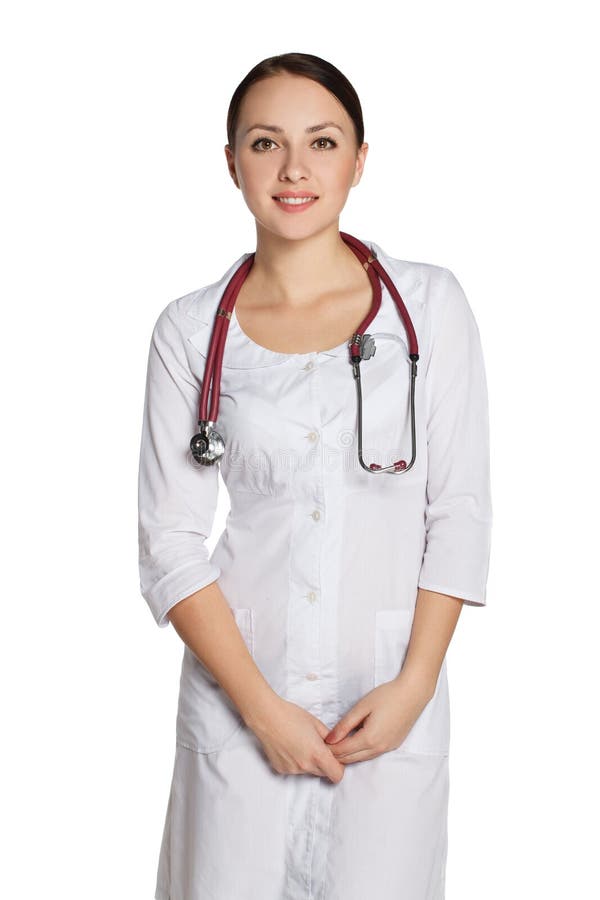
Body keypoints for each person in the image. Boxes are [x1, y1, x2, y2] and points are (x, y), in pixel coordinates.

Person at [137, 51, 492, 900]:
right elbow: (170, 542)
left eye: (322, 142)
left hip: (384, 704)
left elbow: (461, 511)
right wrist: (260, 708)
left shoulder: (431, 307)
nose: (295, 169)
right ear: (232, 163)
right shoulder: (189, 333)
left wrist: (413, 686)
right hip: (238, 705)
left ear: (359, 158)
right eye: (265, 143)